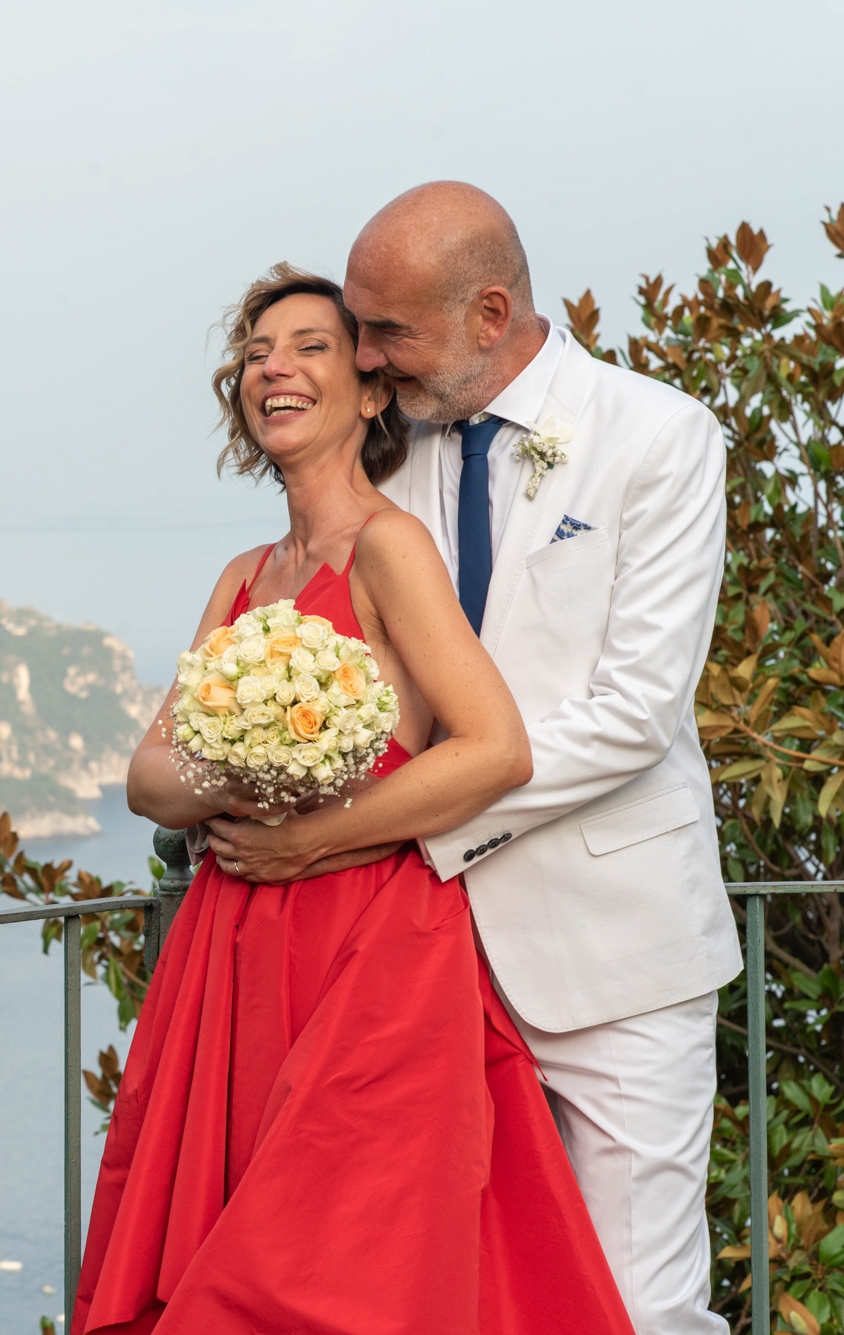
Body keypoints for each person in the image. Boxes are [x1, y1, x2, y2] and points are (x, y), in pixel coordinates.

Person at [205, 183, 742, 1334]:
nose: (364, 355)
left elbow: (632, 712)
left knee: (635, 1304)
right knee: (437, 1291)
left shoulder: (655, 437)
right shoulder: (384, 460)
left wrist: (382, 823)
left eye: (384, 331)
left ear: (488, 311)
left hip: (612, 953)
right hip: (405, 962)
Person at [82, 263, 632, 1334]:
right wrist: (249, 757)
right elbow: (150, 779)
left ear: (371, 390)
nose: (271, 369)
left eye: (307, 347)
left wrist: (309, 835)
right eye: (253, 354)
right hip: (233, 946)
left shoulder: (389, 548)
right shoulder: (243, 576)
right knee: (228, 1228)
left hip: (365, 946)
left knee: (334, 1262)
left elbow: (493, 750)